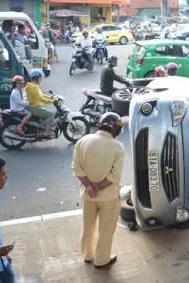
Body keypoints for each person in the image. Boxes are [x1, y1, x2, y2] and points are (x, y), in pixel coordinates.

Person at [72, 112, 124, 269]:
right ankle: (101, 260)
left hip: (88, 196)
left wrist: (89, 186)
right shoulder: (118, 147)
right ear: (116, 129)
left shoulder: (82, 141)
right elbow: (115, 176)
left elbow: (76, 168)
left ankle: (88, 255)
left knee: (88, 226)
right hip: (109, 197)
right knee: (106, 229)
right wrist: (98, 187)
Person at [25, 69, 55, 139]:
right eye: (40, 78)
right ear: (36, 78)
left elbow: (41, 95)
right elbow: (41, 99)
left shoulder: (33, 85)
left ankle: (45, 128)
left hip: (35, 106)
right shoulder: (33, 87)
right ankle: (46, 133)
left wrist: (50, 97)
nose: (41, 79)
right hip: (35, 108)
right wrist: (52, 101)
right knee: (52, 114)